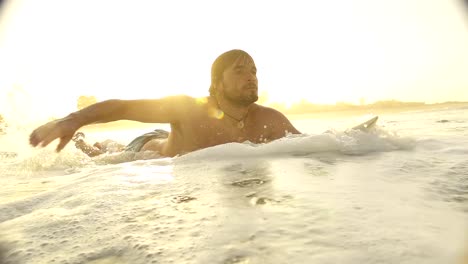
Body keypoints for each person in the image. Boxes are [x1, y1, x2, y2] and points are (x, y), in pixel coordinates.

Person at [29, 49, 301, 157]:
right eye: (240, 71)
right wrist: (72, 119)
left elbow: (316, 146)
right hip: (146, 149)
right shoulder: (186, 108)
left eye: (253, 71)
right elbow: (123, 107)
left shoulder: (269, 119)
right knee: (106, 154)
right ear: (217, 83)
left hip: (173, 137)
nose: (251, 77)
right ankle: (83, 141)